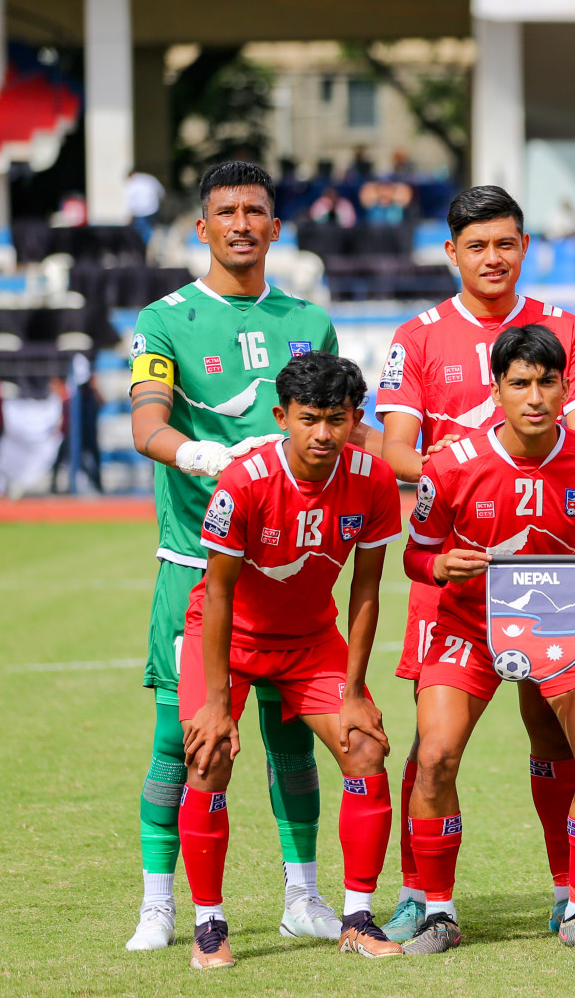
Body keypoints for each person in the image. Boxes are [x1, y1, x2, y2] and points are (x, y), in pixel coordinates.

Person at [126, 160, 369, 952]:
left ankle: (303, 895)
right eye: (225, 210)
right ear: (202, 227)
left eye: (254, 211)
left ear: (274, 227)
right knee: (184, 738)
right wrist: (202, 458)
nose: (240, 223)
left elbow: (342, 432)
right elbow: (146, 427)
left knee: (294, 738)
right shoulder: (165, 319)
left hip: (294, 573)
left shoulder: (310, 318)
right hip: (199, 569)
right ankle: (160, 902)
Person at [372, 184, 575, 941]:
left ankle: (569, 893)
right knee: (433, 747)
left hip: (549, 577)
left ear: (525, 247)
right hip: (460, 558)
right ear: (452, 253)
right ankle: (421, 894)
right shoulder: (417, 336)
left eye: (506, 243)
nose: (493, 257)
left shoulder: (562, 329)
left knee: (558, 739)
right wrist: (455, 464)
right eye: (477, 245)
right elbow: (396, 448)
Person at [402, 323, 575, 955]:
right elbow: (416, 555)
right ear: (497, 388)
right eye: (520, 384)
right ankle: (439, 913)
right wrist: (441, 567)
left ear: (567, 386)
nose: (535, 397)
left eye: (547, 382)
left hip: (563, 620)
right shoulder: (451, 463)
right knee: (434, 758)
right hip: (469, 628)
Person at [175, 352, 402, 969]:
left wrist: (355, 691)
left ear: (356, 419)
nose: (323, 434)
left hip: (310, 643)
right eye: (309, 419)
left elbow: (365, 591)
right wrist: (217, 704)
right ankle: (209, 925)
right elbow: (217, 593)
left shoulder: (375, 481)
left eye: (337, 419)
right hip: (227, 640)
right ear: (283, 417)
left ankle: (357, 917)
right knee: (209, 754)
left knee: (366, 748)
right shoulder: (245, 481)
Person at [126, 169, 165, 244]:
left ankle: (148, 246)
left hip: (141, 212)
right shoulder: (149, 178)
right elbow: (161, 192)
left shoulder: (131, 183)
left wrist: (130, 214)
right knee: (152, 228)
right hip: (153, 209)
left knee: (143, 231)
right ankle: (155, 243)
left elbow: (131, 200)